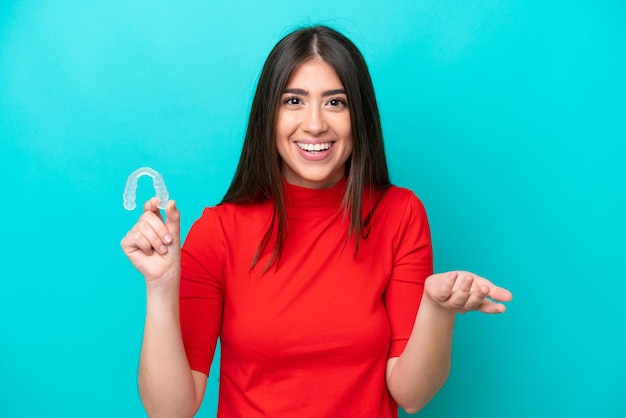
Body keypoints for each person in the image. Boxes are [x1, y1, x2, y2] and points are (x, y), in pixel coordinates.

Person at [121, 25, 513, 418]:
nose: (314, 125)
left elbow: (411, 395)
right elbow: (170, 411)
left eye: (335, 103)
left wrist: (436, 309)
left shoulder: (400, 214)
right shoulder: (218, 231)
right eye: (293, 100)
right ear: (267, 115)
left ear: (359, 116)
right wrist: (160, 287)